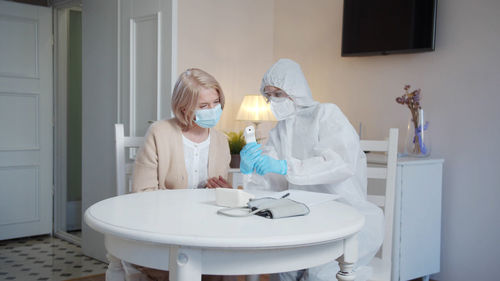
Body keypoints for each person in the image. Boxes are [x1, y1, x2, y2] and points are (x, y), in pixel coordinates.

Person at [240, 59, 384, 281]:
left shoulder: (327, 114)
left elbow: (340, 162)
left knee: (319, 274)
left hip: (340, 212)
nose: (273, 100)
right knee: (283, 268)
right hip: (299, 215)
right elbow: (272, 184)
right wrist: (252, 168)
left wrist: (286, 166)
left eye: (278, 93)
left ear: (295, 90)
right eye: (269, 95)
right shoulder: (281, 129)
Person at [127, 68, 232, 281]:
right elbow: (142, 193)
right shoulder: (160, 132)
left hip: (207, 235)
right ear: (183, 107)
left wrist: (225, 193)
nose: (212, 110)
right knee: (191, 269)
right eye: (203, 106)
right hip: (162, 233)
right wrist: (194, 199)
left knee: (227, 265)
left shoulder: (221, 141)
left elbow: (219, 201)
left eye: (216, 102)